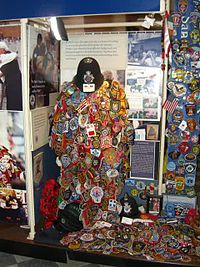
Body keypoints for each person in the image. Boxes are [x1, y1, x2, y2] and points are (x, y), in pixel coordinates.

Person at [0, 41, 22, 111]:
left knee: (14, 107)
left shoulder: (9, 58)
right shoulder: (9, 58)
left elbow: (1, 73)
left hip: (14, 86)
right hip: (12, 85)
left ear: (3, 50)